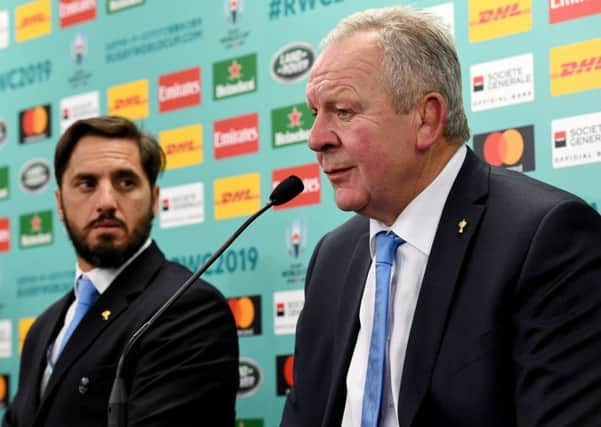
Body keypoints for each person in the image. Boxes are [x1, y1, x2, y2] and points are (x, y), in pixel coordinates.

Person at [280, 6, 601, 427]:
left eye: (343, 111)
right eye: (314, 113)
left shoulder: (544, 238)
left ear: (426, 118)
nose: (315, 138)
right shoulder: (332, 257)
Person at [3, 116, 239, 427]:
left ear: (154, 200)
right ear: (60, 204)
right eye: (86, 183)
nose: (106, 202)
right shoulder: (43, 328)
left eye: (125, 182)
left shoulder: (186, 308)